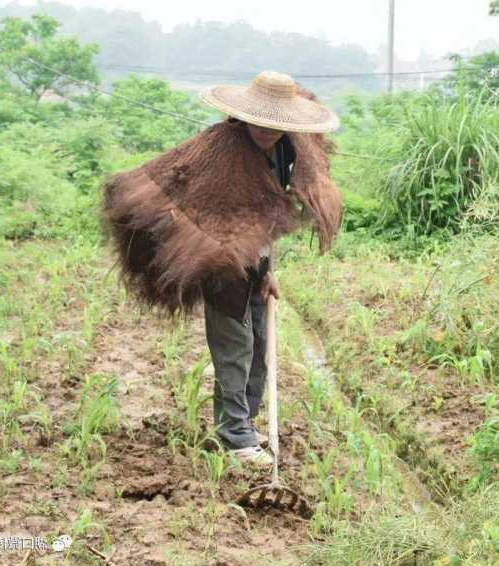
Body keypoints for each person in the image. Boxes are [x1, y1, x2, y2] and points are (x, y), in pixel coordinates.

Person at [101, 71, 342, 466]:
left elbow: (265, 216)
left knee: (261, 346)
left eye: (275, 123)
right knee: (235, 348)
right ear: (245, 116)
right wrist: (217, 252)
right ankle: (234, 436)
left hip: (254, 263)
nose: (266, 130)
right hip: (219, 261)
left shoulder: (288, 152)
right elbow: (186, 197)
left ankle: (242, 421)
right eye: (259, 121)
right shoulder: (219, 149)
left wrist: (266, 271)